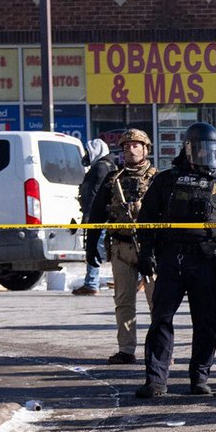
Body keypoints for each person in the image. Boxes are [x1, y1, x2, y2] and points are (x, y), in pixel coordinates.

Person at [133, 122, 216, 399]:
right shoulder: (166, 180)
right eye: (200, 149)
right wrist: (145, 253)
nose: (206, 155)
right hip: (172, 259)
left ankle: (199, 377)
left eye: (211, 150)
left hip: (206, 259)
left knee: (207, 320)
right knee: (161, 319)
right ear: (188, 149)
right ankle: (156, 380)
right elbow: (146, 219)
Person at [89, 128, 155, 365]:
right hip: (121, 247)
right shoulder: (112, 180)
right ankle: (126, 350)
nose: (130, 149)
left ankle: (160, 352)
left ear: (146, 148)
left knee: (157, 302)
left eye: (136, 145)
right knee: (124, 301)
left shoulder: (158, 179)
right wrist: (91, 245)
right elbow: (96, 214)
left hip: (152, 249)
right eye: (126, 146)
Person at [74, 138, 115, 295]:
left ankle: (91, 283)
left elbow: (94, 194)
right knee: (105, 248)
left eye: (88, 152)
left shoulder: (100, 168)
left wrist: (89, 215)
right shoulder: (108, 165)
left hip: (98, 216)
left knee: (96, 247)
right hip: (106, 214)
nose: (86, 155)